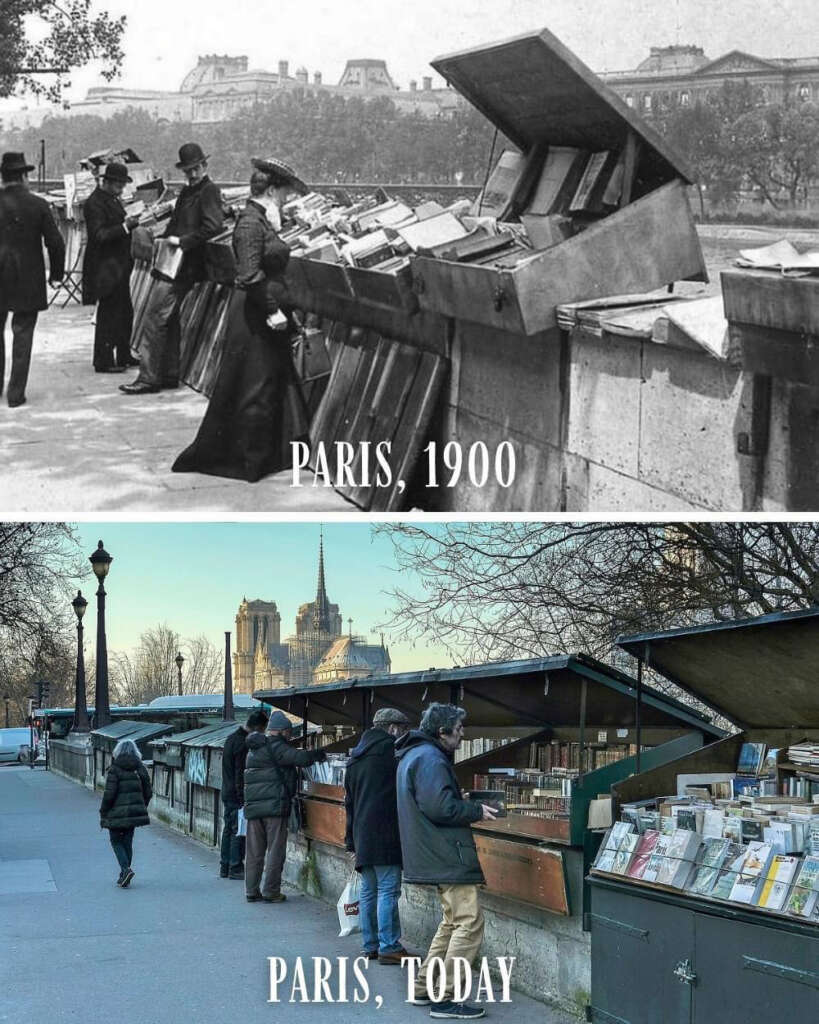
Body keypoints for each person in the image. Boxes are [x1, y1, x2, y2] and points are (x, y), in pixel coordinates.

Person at [171, 156, 310, 482]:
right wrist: (274, 311)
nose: (287, 199)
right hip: (256, 314)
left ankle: (262, 453)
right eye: (285, 193)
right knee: (254, 386)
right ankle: (249, 458)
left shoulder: (257, 220)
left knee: (262, 383)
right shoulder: (250, 223)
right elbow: (249, 274)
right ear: (272, 191)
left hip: (260, 310)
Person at [396, 704, 497, 1020]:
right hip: (446, 852)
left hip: (430, 852)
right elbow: (440, 809)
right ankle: (446, 998)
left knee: (453, 920)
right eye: (458, 728)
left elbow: (434, 803)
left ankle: (425, 987)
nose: (463, 733)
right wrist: (476, 811)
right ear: (442, 732)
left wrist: (459, 802)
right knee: (469, 921)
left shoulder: (415, 755)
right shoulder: (431, 760)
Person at [120, 142, 223, 395]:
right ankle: (167, 375)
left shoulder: (209, 191)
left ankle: (148, 378)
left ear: (204, 166)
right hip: (171, 261)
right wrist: (163, 237)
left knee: (155, 317)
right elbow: (178, 223)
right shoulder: (188, 191)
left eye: (195, 168)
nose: (192, 174)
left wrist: (182, 241)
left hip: (185, 265)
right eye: (187, 170)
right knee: (169, 319)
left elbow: (213, 226)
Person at [345, 707, 412, 965]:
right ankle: (389, 946)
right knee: (387, 891)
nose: (403, 735)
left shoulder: (355, 758)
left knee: (368, 891)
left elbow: (349, 803)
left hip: (362, 835)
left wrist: (350, 839)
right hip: (386, 834)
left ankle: (370, 945)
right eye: (402, 730)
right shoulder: (393, 755)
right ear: (393, 728)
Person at [0, 151, 65, 407]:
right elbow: (56, 244)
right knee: (23, 334)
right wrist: (56, 275)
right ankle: (16, 395)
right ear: (25, 176)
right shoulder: (38, 205)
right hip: (27, 280)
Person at [243, 709, 327, 903]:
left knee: (254, 852)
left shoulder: (254, 750)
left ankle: (251, 890)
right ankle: (271, 891)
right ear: (280, 731)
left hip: (254, 808)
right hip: (274, 807)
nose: (290, 736)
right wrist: (318, 754)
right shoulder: (276, 747)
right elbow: (301, 759)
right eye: (289, 732)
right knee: (275, 850)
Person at [82, 162, 141, 373]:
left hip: (117, 266)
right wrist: (126, 226)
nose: (121, 188)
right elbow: (100, 235)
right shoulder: (95, 203)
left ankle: (123, 354)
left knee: (124, 311)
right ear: (106, 182)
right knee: (108, 314)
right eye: (118, 184)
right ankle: (103, 360)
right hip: (105, 268)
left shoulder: (109, 199)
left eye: (122, 184)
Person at [219, 708, 269, 879]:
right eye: (263, 729)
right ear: (257, 727)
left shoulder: (231, 739)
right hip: (236, 794)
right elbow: (241, 773)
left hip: (227, 791)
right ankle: (235, 867)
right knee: (237, 831)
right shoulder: (243, 744)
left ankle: (224, 866)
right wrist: (243, 799)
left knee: (228, 829)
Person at [99, 737, 153, 888]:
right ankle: (124, 873)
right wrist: (141, 806)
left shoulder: (115, 769)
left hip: (116, 812)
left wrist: (103, 811)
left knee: (116, 841)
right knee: (127, 841)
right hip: (134, 812)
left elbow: (109, 794)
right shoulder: (140, 768)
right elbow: (148, 792)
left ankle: (125, 869)